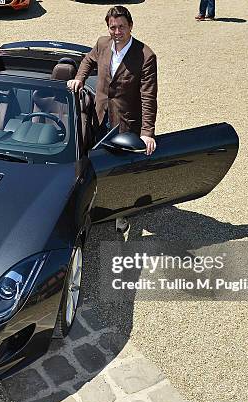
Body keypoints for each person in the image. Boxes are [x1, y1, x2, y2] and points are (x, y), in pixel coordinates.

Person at [67, 5, 158, 235]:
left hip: (125, 122)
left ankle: (121, 212)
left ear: (130, 27)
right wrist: (79, 78)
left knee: (122, 169)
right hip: (100, 115)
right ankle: (97, 202)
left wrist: (147, 132)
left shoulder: (145, 55)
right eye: (112, 27)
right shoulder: (102, 44)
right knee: (97, 160)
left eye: (121, 27)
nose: (116, 31)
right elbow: (87, 60)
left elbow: (148, 96)